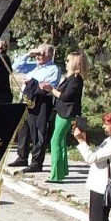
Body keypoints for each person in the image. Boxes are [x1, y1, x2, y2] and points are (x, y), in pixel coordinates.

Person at [9, 44, 61, 173]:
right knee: (23, 128)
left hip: (40, 102)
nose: (38, 56)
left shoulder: (53, 69)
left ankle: (37, 162)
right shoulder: (34, 66)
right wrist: (28, 54)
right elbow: (16, 66)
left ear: (49, 55)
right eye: (37, 54)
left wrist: (31, 82)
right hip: (26, 100)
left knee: (38, 131)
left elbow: (47, 87)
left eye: (41, 54)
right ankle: (22, 156)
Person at [40, 51, 87, 183]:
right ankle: (62, 171)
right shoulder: (70, 78)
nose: (65, 63)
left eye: (68, 61)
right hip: (62, 112)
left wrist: (51, 89)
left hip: (68, 113)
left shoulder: (76, 79)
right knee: (60, 141)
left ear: (75, 63)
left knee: (55, 141)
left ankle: (56, 175)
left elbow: (66, 96)